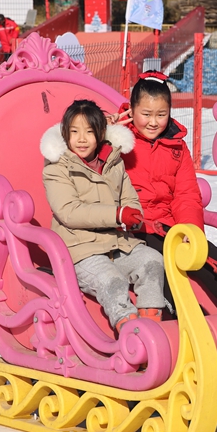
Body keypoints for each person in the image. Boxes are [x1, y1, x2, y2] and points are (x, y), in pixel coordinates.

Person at [111, 72, 217, 314]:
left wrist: (190, 231)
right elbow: (85, 146)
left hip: (166, 225)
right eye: (146, 114)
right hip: (133, 228)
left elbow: (186, 194)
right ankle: (191, 315)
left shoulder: (177, 147)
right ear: (131, 112)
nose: (153, 122)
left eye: (161, 115)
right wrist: (108, 129)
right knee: (157, 260)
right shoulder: (118, 140)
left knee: (206, 252)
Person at [41, 99, 165, 333]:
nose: (81, 139)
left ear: (100, 133)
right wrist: (117, 215)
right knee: (112, 281)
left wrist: (133, 214)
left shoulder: (112, 161)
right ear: (65, 134)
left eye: (89, 132)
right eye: (74, 132)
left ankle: (152, 329)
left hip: (118, 244)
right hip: (81, 250)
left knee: (152, 261)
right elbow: (69, 211)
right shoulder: (57, 167)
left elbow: (128, 196)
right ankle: (131, 334)